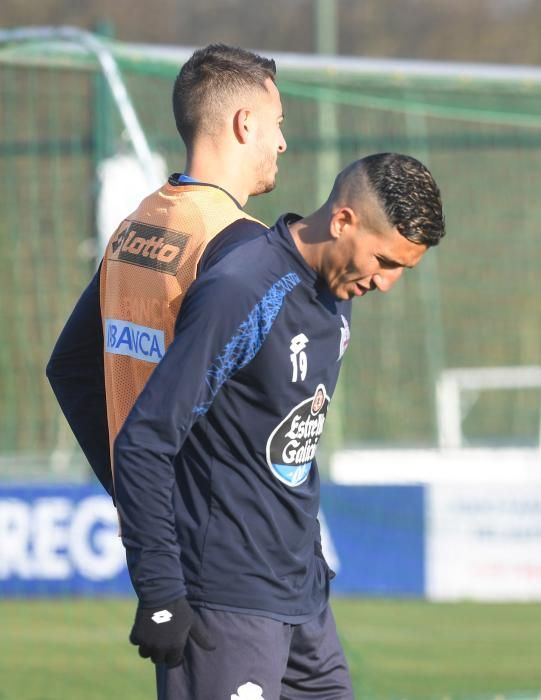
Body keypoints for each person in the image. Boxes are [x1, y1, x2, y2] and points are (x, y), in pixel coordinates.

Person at [113, 153, 446, 700]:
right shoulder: (241, 290)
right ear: (343, 221)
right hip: (226, 603)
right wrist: (160, 590)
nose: (386, 284)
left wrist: (307, 557)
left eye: (401, 271)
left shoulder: (338, 292)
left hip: (303, 601)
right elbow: (146, 439)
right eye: (384, 261)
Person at [46, 44, 287, 497]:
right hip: (224, 534)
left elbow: (69, 367)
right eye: (277, 123)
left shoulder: (134, 227)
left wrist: (134, 496)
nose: (281, 142)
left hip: (156, 532)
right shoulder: (241, 244)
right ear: (245, 123)